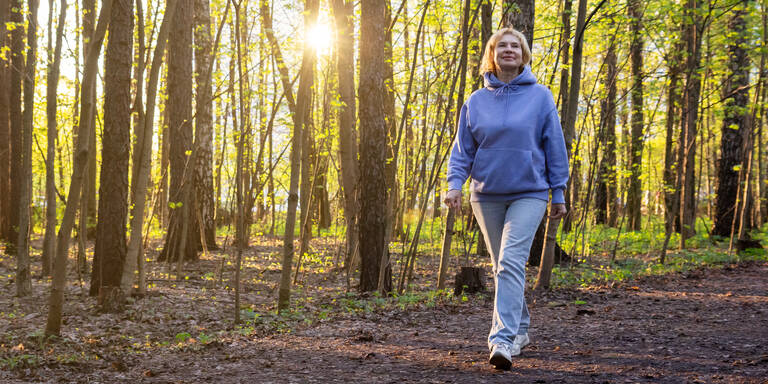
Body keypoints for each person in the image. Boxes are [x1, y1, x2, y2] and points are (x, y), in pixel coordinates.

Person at [444, 27, 569, 370]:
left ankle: (502, 340)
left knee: (510, 262)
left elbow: (554, 146)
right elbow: (462, 151)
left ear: (524, 54)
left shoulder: (541, 96)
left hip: (529, 193)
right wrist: (455, 185)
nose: (509, 50)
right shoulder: (475, 101)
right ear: (492, 54)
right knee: (504, 267)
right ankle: (522, 329)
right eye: (502, 46)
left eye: (516, 46)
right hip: (486, 197)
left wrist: (557, 191)